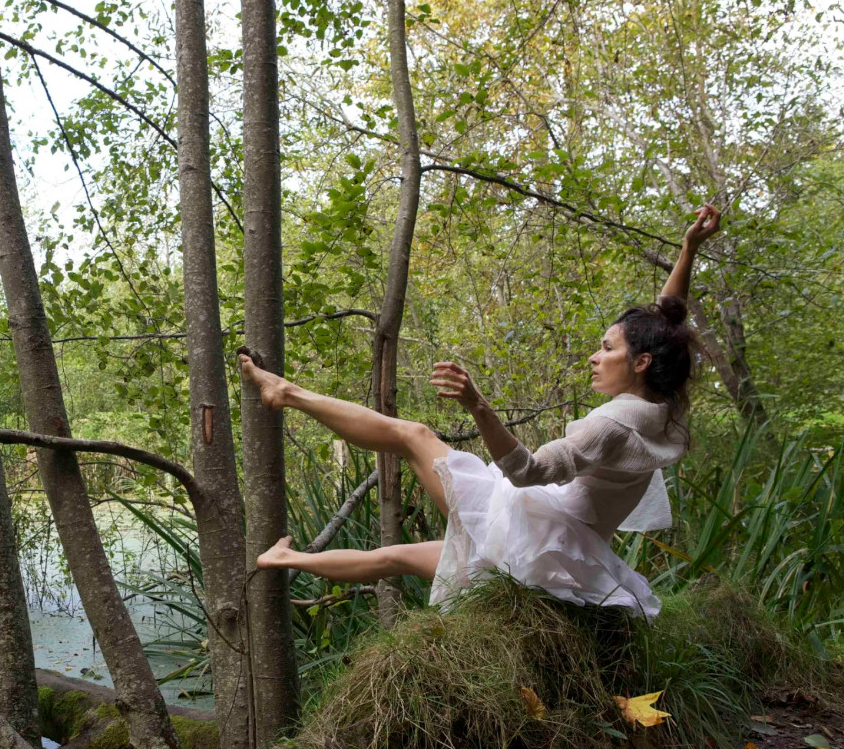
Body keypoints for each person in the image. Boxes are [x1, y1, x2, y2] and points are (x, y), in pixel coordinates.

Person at [244, 205, 721, 619]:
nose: (594, 358)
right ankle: (281, 560)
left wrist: (478, 404)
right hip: (567, 559)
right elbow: (667, 317)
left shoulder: (609, 425)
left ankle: (285, 393)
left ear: (640, 362)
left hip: (528, 537)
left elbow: (527, 472)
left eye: (606, 348)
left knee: (413, 434)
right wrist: (688, 249)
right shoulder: (663, 410)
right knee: (398, 556)